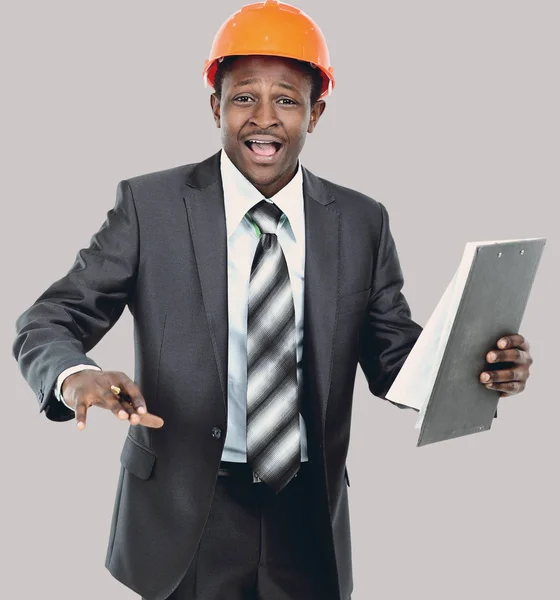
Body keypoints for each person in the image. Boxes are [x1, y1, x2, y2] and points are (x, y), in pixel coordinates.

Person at [12, 1, 533, 599]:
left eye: (287, 99)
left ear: (317, 110)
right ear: (215, 106)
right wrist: (75, 376)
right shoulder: (149, 208)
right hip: (184, 516)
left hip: (307, 514)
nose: (264, 119)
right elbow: (50, 319)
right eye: (243, 98)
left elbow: (392, 359)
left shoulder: (361, 221)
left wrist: (476, 369)